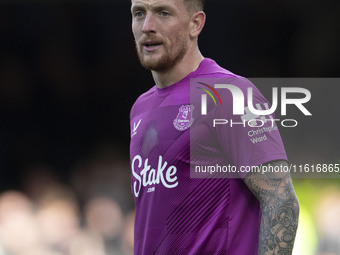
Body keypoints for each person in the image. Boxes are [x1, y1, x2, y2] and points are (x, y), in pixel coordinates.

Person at [129, 0, 299, 254]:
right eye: (139, 13)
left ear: (195, 24)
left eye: (163, 13)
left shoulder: (228, 95)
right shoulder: (140, 108)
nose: (147, 26)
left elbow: (281, 200)